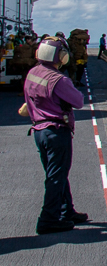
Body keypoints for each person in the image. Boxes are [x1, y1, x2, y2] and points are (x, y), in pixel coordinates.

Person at [23, 37, 87, 234]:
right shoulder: (58, 79)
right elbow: (78, 101)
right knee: (56, 177)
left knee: (56, 174)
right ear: (61, 56)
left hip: (39, 131)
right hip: (56, 132)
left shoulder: (33, 73)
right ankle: (48, 219)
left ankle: (66, 211)